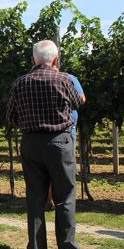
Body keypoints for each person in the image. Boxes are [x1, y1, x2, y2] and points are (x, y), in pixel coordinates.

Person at [7, 40, 83, 249]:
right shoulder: (65, 80)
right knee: (65, 198)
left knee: (35, 198)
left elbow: (11, 117)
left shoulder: (20, 83)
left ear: (33, 60)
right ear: (55, 59)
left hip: (31, 143)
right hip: (60, 142)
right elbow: (78, 103)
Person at [46, 70, 86, 210]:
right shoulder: (65, 78)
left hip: (68, 131)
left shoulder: (69, 78)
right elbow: (80, 100)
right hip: (61, 132)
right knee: (59, 168)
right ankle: (53, 201)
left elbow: (81, 98)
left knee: (62, 169)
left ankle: (59, 201)